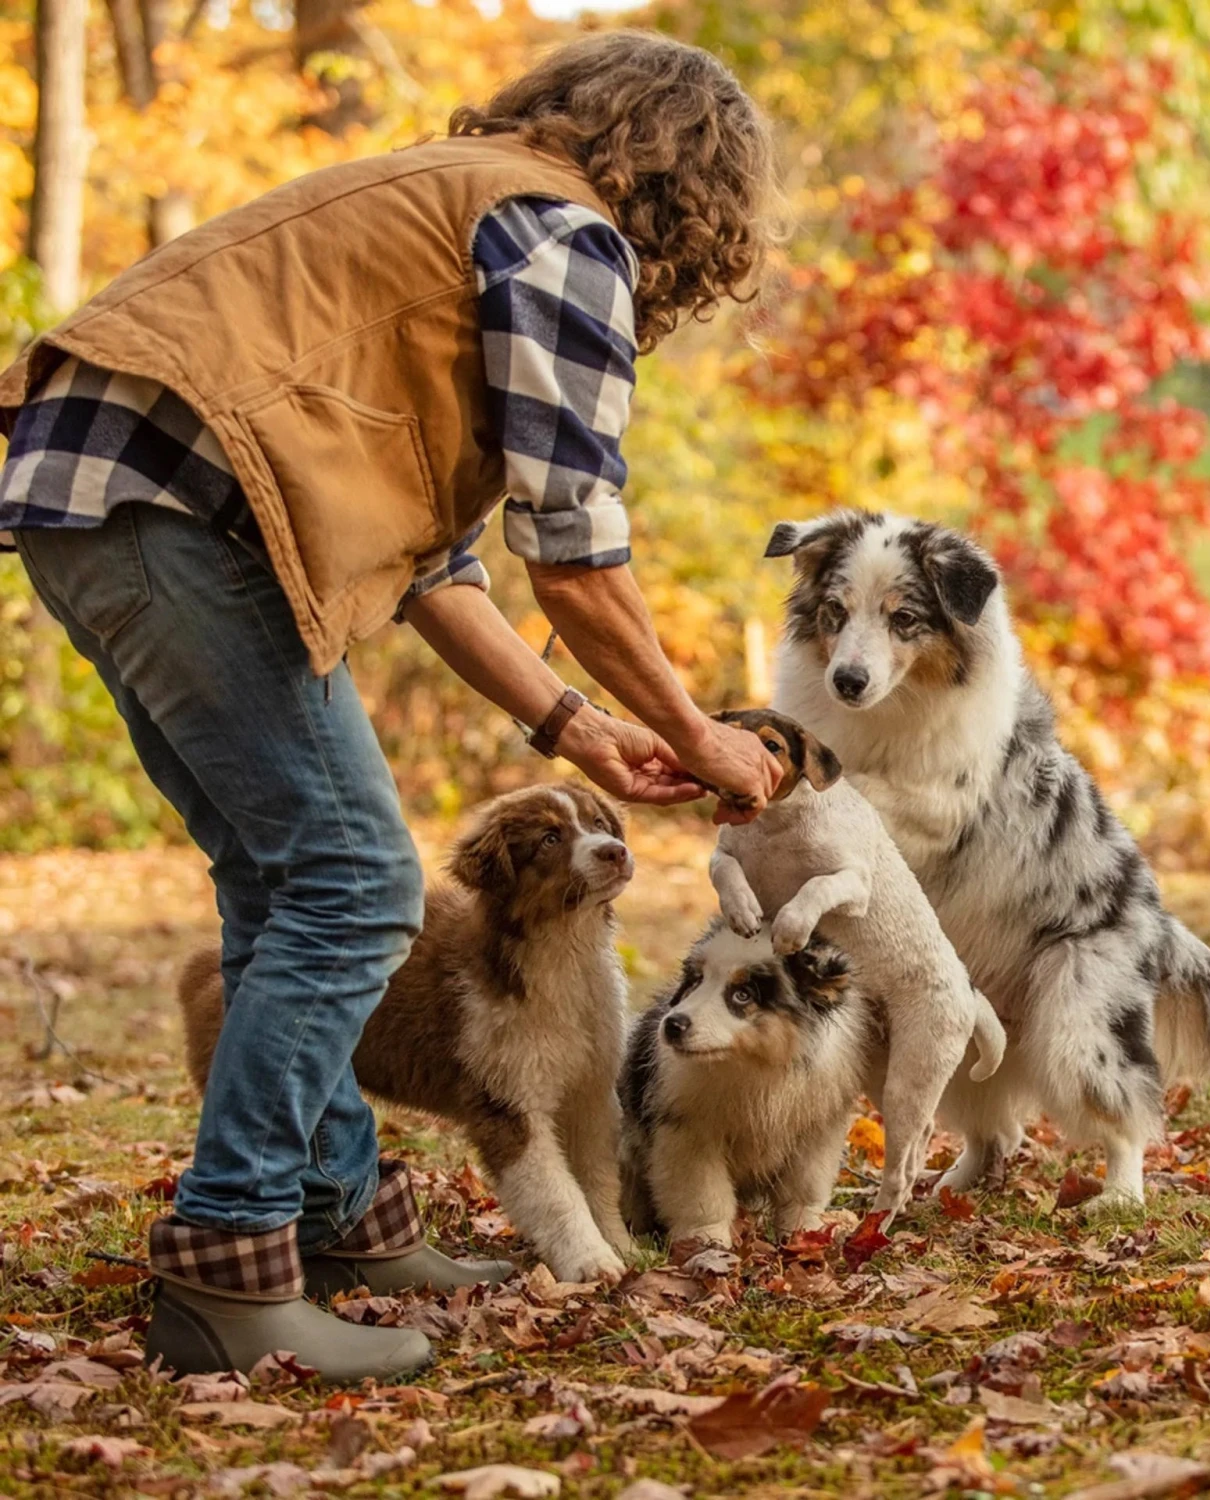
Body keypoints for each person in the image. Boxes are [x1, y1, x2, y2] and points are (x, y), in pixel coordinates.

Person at [0, 31, 782, 1380]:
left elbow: (435, 563)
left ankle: (338, 1219)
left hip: (98, 484)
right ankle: (230, 1265)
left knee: (282, 882)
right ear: (692, 190)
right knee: (358, 884)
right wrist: (703, 731)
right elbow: (577, 553)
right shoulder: (558, 236)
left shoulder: (455, 203)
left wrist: (575, 726)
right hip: (176, 502)